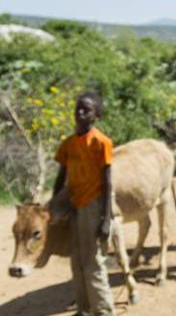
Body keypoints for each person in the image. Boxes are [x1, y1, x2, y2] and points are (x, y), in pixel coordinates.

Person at [53, 92, 115, 316]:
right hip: (73, 205)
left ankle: (104, 310)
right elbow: (61, 177)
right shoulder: (68, 144)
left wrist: (106, 218)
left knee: (93, 262)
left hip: (93, 205)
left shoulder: (101, 142)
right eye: (78, 108)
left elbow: (108, 183)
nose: (80, 113)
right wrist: (55, 206)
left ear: (96, 115)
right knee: (77, 260)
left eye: (86, 110)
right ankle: (84, 309)